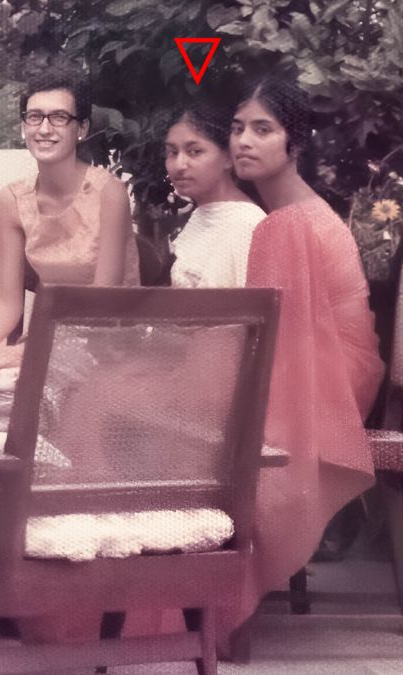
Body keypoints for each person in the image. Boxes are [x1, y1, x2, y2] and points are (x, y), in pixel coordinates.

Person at [224, 75, 384, 647]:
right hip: (339, 367)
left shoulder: (285, 225)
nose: (244, 140)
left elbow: (271, 350)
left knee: (188, 424)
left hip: (332, 382)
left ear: (295, 146)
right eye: (239, 128)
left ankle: (195, 590)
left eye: (263, 129)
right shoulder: (298, 214)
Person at [0, 68, 140, 373]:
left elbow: (103, 305)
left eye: (59, 118)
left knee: (2, 395)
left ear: (81, 128)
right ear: (23, 126)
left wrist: (28, 351)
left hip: (107, 344)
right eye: (34, 117)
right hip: (43, 340)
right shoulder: (11, 201)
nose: (44, 129)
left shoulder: (110, 193)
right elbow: (8, 304)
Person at [164, 100, 264, 288]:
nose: (179, 165)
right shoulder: (202, 215)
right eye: (172, 152)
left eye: (195, 151)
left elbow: (255, 313)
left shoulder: (247, 225)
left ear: (229, 156)